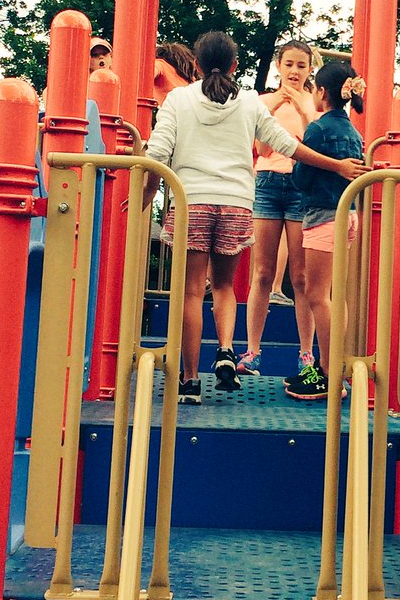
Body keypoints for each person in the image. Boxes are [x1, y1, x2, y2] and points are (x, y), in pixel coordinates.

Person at [141, 31, 367, 406]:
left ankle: (190, 380)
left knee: (193, 291)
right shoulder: (250, 102)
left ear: (195, 66)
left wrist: (149, 192)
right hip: (236, 202)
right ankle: (228, 349)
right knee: (227, 287)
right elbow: (287, 146)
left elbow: (159, 150)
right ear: (235, 66)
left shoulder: (179, 99)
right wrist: (337, 166)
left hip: (192, 200)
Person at [285, 60, 366, 402]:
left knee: (317, 295)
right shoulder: (354, 133)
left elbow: (300, 178)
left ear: (321, 92)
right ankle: (331, 365)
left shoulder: (318, 129)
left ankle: (330, 374)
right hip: (347, 216)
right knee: (333, 296)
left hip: (322, 216)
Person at [237, 40, 319, 379]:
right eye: (289, 65)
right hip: (269, 184)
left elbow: (318, 141)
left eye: (301, 66)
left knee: (301, 276)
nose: (295, 72)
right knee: (262, 272)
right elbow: (261, 148)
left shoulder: (314, 103)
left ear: (309, 69)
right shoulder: (263, 101)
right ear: (278, 67)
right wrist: (273, 109)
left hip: (301, 186)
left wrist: (302, 109)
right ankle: (253, 351)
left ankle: (306, 354)